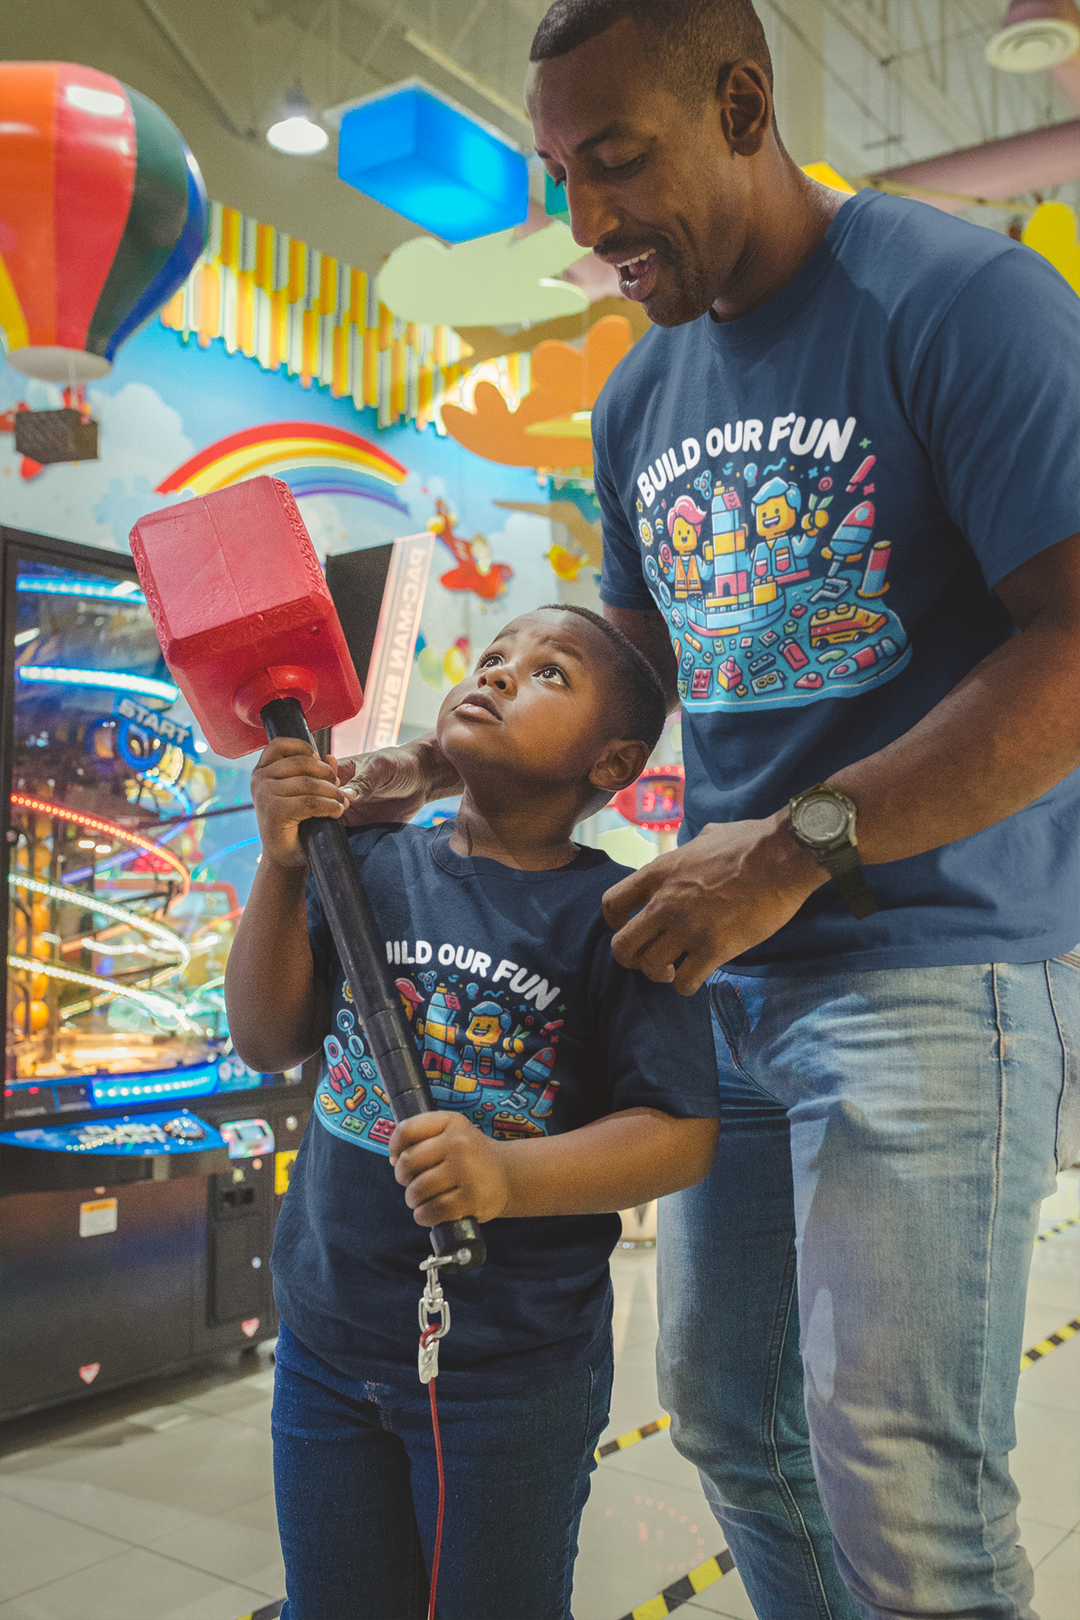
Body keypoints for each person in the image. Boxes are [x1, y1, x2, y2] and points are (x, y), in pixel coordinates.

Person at [339, 4, 1080, 1616]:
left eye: (617, 162)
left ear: (744, 103)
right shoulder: (637, 397)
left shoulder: (963, 301)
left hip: (933, 968)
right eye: (561, 175)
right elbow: (634, 670)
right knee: (739, 1428)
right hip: (727, 976)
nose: (587, 220)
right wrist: (444, 765)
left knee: (900, 1480)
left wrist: (799, 848)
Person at [225, 604, 721, 1620]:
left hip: (508, 1380)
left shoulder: (622, 916)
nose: (497, 673)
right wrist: (283, 862)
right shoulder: (366, 860)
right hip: (326, 1341)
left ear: (613, 763)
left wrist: (506, 1175)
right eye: (494, 655)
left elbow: (679, 1134)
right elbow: (268, 1039)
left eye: (549, 672)